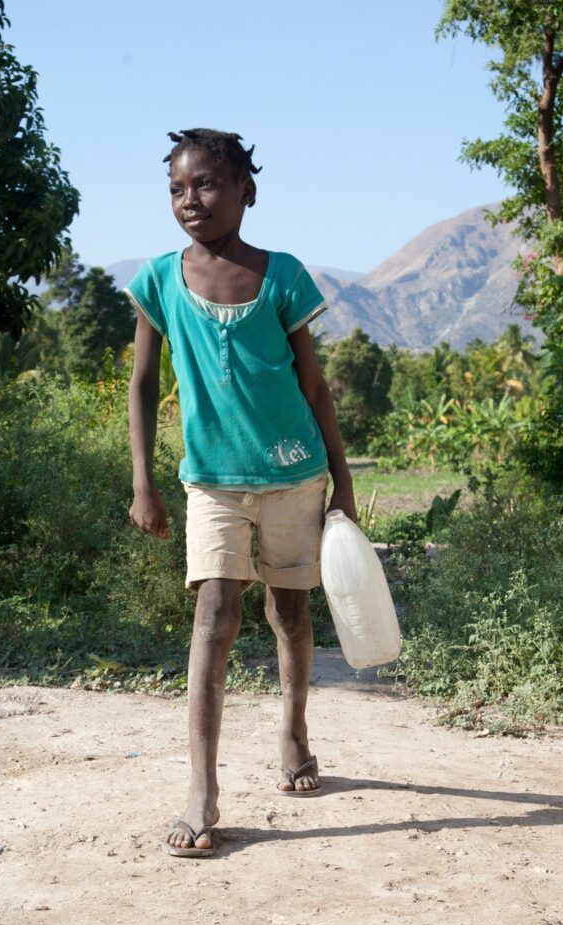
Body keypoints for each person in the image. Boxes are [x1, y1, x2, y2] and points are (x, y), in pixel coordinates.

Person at [125, 128, 357, 858]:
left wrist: (343, 481)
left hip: (295, 470)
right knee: (214, 616)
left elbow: (313, 387)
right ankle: (201, 789)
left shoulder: (283, 275)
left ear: (245, 192)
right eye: (177, 189)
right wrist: (143, 481)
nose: (190, 200)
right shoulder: (160, 279)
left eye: (207, 184)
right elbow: (142, 385)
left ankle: (293, 729)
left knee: (289, 611)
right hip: (213, 483)